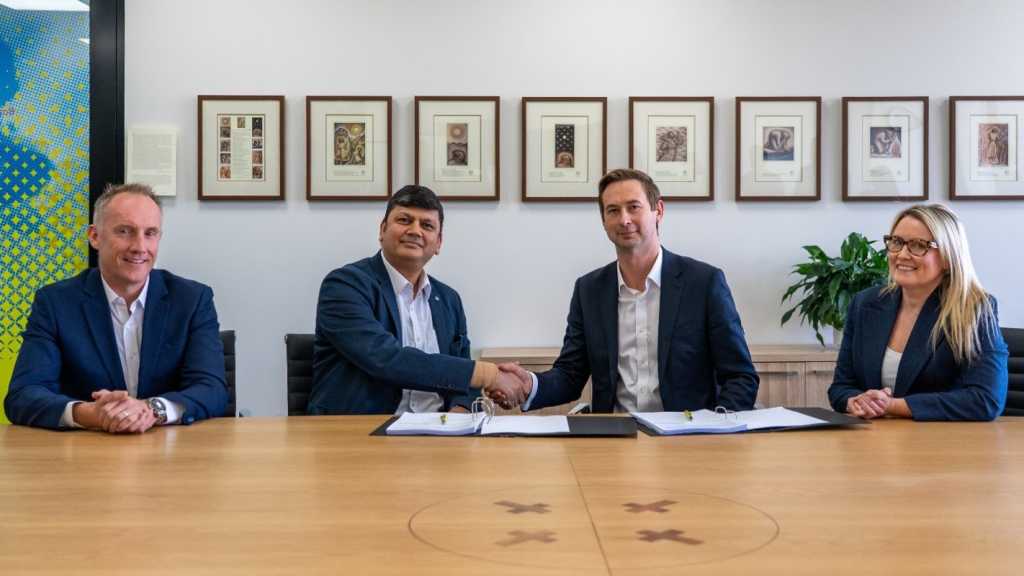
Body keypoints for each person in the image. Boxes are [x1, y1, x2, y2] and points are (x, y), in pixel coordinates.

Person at [498, 169, 759, 413]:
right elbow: (570, 375)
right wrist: (528, 384)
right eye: (613, 210)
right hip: (615, 435)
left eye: (634, 207)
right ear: (603, 221)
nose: (624, 220)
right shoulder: (589, 290)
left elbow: (740, 376)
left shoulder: (704, 283)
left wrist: (715, 429)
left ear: (658, 210)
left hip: (687, 436)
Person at [4, 183, 228, 432]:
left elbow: (212, 389)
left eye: (150, 233)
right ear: (94, 236)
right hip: (87, 449)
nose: (139, 247)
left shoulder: (192, 300)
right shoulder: (55, 303)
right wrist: (89, 414)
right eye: (124, 231)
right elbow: (23, 395)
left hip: (172, 449)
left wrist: (151, 409)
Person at [308, 185, 524, 415]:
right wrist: (489, 375)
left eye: (427, 225)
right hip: (361, 430)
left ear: (438, 243)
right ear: (382, 230)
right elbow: (386, 359)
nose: (415, 231)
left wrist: (459, 414)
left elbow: (464, 383)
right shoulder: (345, 285)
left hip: (440, 429)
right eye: (404, 220)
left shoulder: (449, 300)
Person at [828, 204, 1008, 421]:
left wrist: (891, 406)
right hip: (873, 437)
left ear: (948, 257)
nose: (902, 254)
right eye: (896, 242)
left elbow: (986, 400)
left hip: (940, 439)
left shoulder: (973, 309)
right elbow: (841, 387)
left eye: (918, 245)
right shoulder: (865, 304)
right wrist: (855, 401)